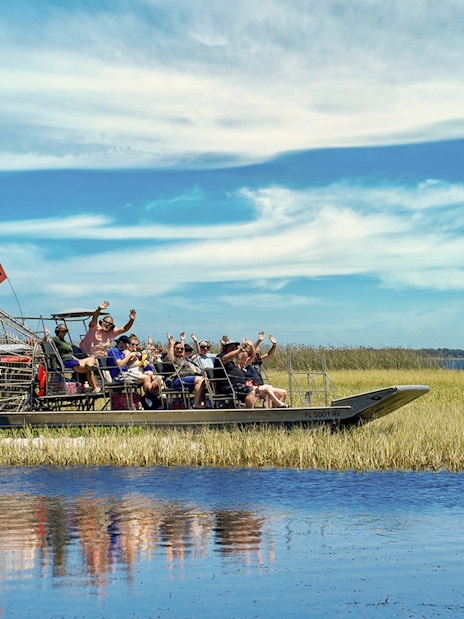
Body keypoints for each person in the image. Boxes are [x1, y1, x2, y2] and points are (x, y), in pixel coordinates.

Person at [50, 324, 100, 393]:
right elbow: (46, 340)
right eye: (63, 331)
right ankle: (95, 388)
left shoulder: (64, 341)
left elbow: (70, 354)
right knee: (89, 371)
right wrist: (46, 334)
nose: (65, 332)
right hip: (67, 361)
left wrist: (78, 360)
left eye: (66, 331)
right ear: (58, 331)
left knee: (92, 358)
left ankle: (89, 365)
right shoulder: (56, 339)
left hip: (72, 359)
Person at [166, 333, 206, 408]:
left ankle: (202, 402)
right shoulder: (173, 359)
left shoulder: (185, 359)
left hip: (190, 378)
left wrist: (195, 341)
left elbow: (198, 353)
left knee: (206, 381)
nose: (180, 350)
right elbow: (170, 357)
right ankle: (196, 403)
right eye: (177, 349)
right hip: (178, 380)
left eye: (181, 349)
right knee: (200, 380)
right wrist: (171, 344)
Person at [214, 339, 256, 408]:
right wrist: (239, 350)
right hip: (227, 387)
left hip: (238, 386)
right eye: (231, 347)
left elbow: (252, 357)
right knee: (250, 390)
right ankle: (250, 414)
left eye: (235, 347)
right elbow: (225, 358)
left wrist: (250, 346)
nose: (234, 349)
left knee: (261, 390)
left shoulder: (233, 362)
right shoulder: (220, 357)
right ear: (225, 348)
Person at [253, 331, 287, 406]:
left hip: (262, 387)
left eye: (258, 353)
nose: (258, 354)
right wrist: (259, 341)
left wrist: (274, 345)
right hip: (253, 388)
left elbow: (269, 354)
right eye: (256, 353)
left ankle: (276, 413)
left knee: (283, 393)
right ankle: (267, 413)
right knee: (266, 395)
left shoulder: (258, 361)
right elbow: (251, 350)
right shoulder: (247, 362)